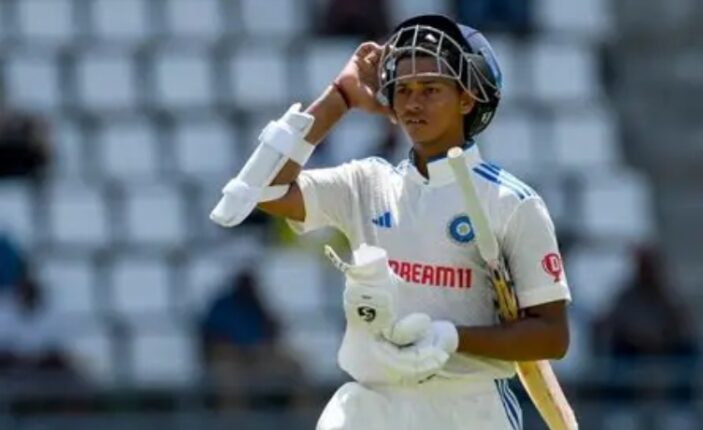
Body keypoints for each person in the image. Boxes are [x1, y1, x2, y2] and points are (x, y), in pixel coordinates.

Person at [210, 14, 572, 430]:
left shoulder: (511, 203)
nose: (413, 103)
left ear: (467, 99)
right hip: (373, 409)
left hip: (470, 410)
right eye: (403, 89)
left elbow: (552, 337)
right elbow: (265, 190)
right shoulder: (366, 183)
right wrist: (339, 98)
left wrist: (452, 338)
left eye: (431, 89)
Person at [593, 246, 700, 430]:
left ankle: (680, 410)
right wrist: (641, 337)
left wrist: (660, 338)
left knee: (690, 349)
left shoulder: (667, 295)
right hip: (633, 350)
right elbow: (615, 323)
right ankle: (621, 412)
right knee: (617, 351)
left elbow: (682, 325)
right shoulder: (626, 295)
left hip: (665, 349)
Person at [200, 270, 306, 413]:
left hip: (259, 359)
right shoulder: (221, 306)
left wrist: (263, 346)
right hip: (230, 361)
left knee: (295, 367)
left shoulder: (257, 305)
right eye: (245, 283)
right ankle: (235, 421)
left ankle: (304, 419)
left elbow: (273, 333)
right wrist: (240, 352)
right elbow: (212, 342)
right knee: (231, 383)